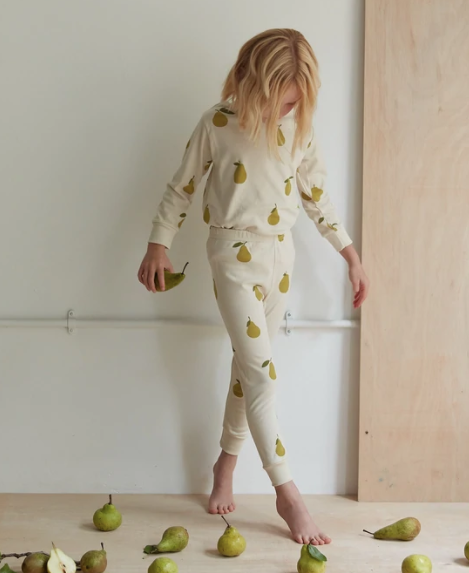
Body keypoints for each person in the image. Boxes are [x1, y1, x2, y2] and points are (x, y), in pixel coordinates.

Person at [137, 28, 369, 546]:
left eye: (295, 101)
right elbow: (181, 187)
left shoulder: (299, 127)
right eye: (280, 99)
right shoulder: (217, 123)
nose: (287, 109)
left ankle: (226, 462)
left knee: (249, 370)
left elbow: (317, 197)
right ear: (250, 83)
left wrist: (351, 256)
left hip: (280, 258)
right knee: (263, 376)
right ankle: (288, 495)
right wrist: (158, 244)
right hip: (232, 256)